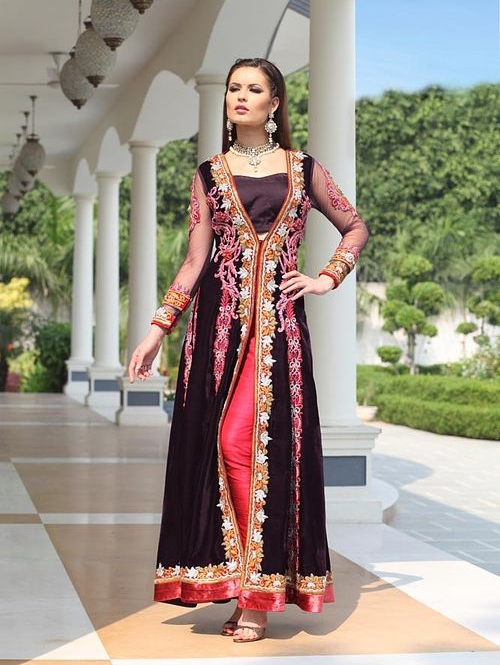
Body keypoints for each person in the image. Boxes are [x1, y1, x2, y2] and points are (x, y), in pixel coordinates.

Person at [128, 57, 369, 643]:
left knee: (256, 447)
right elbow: (195, 261)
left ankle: (258, 595)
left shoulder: (304, 169)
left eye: (253, 89)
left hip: (279, 334)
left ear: (274, 102)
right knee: (220, 448)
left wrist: (326, 277)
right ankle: (241, 586)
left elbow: (356, 227)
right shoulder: (209, 174)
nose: (240, 96)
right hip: (216, 334)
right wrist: (157, 329)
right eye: (234, 88)